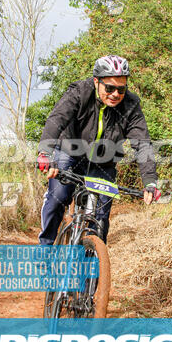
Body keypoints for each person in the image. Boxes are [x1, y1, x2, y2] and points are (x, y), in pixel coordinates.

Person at [36, 54, 160, 245]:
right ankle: (45, 248)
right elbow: (57, 119)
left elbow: (142, 143)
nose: (115, 94)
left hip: (104, 162)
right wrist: (45, 152)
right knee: (58, 198)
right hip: (69, 152)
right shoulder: (79, 92)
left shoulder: (131, 105)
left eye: (121, 89)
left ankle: (92, 265)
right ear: (96, 82)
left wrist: (150, 181)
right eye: (109, 88)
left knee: (100, 218)